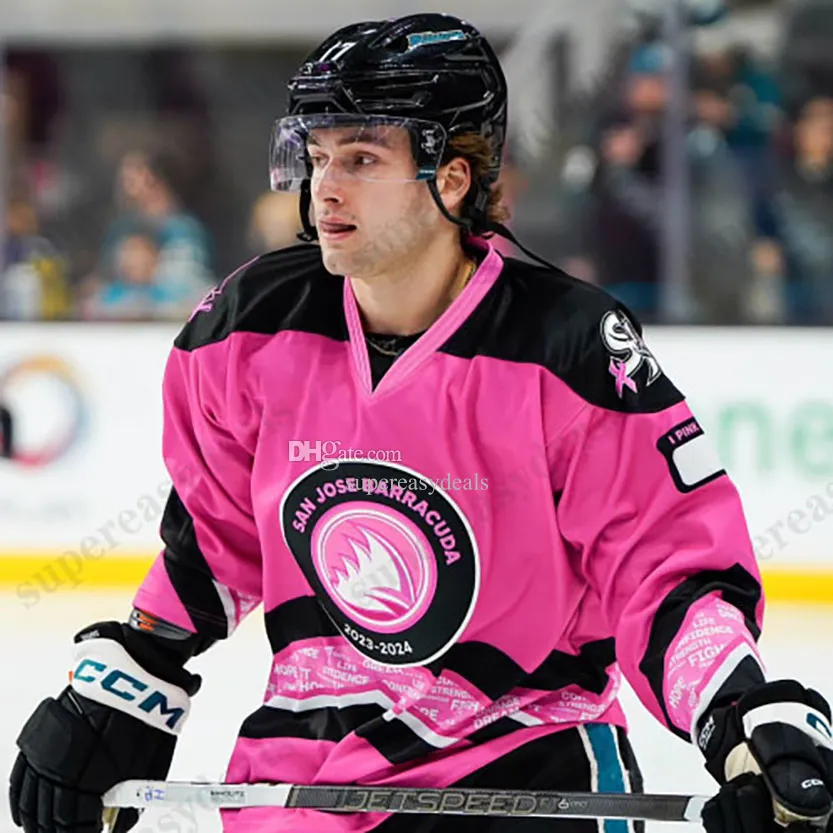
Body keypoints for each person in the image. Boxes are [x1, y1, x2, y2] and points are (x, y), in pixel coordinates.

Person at [9, 14, 833, 833]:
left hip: (524, 763)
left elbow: (662, 568)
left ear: (453, 178)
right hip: (302, 773)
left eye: (362, 159)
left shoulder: (565, 348)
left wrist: (740, 713)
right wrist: (133, 675)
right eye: (317, 156)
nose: (325, 187)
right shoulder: (247, 328)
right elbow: (215, 537)